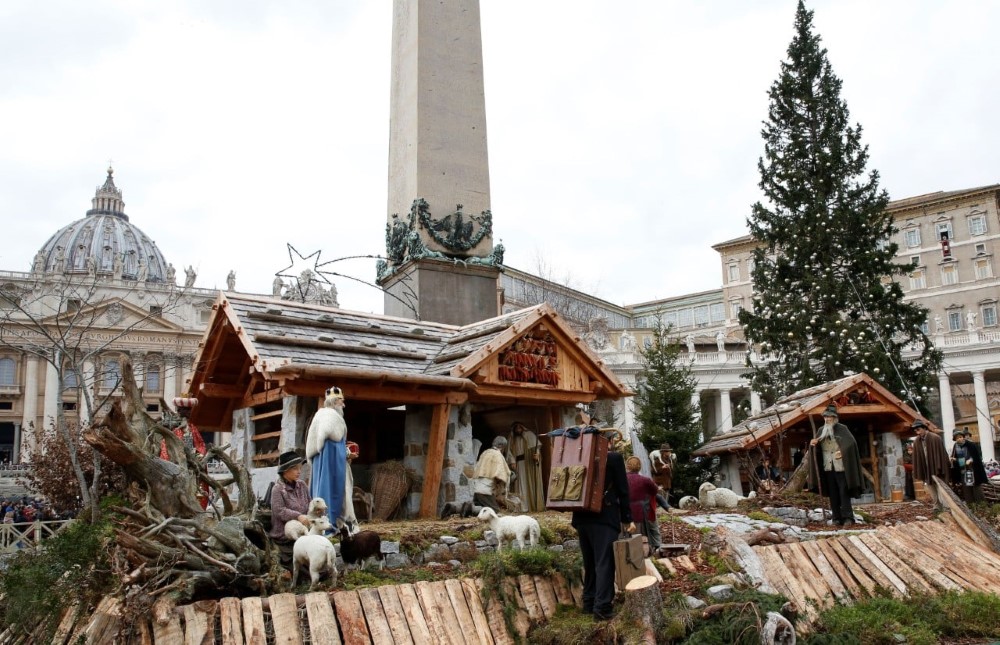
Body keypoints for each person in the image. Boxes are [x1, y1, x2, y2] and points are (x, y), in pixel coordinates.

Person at [571, 409, 633, 622]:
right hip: (604, 518)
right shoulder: (614, 458)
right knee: (604, 563)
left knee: (590, 563)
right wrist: (627, 518)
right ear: (606, 439)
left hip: (581, 518)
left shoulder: (576, 454)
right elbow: (624, 492)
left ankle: (589, 604)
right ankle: (603, 609)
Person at [306, 386, 357, 529]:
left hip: (321, 462)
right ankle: (330, 523)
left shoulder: (320, 415)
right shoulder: (332, 418)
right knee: (331, 491)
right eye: (342, 401)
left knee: (320, 487)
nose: (344, 404)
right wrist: (347, 454)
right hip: (331, 464)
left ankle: (321, 523)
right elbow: (332, 447)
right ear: (335, 402)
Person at [808, 405, 863, 527]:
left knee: (844, 492)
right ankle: (836, 518)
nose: (827, 419)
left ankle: (848, 517)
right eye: (826, 416)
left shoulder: (843, 429)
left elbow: (851, 444)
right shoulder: (821, 430)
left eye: (830, 416)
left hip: (841, 467)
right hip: (828, 466)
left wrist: (842, 452)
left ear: (835, 417)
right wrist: (813, 445)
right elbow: (816, 448)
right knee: (833, 493)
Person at [159, 397, 209, 509]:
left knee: (197, 487)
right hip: (177, 463)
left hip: (193, 464)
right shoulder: (172, 427)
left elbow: (200, 444)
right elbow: (165, 445)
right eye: (184, 409)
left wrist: (199, 455)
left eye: (189, 410)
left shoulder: (192, 428)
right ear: (178, 410)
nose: (187, 412)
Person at [269, 451, 312, 560]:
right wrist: (298, 516)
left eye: (300, 468)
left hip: (304, 533)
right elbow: (280, 511)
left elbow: (309, 502)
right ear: (285, 471)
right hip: (285, 537)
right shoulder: (277, 489)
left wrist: (314, 510)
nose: (299, 471)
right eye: (295, 468)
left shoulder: (302, 485)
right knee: (299, 564)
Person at [626, 456, 661, 556]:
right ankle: (642, 558)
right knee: (641, 537)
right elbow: (654, 491)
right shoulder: (645, 480)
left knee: (624, 537)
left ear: (627, 466)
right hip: (640, 512)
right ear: (639, 467)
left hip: (623, 512)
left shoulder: (621, 479)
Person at [505, 422, 544, 512]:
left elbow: (536, 447)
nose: (518, 429)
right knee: (519, 484)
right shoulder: (511, 438)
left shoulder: (530, 435)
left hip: (528, 465)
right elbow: (509, 452)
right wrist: (512, 461)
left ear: (523, 428)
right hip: (518, 464)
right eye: (516, 428)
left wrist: (537, 455)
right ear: (514, 430)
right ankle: (520, 507)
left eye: (520, 427)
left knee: (528, 484)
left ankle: (530, 506)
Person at [472, 436, 512, 512]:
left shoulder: (485, 452)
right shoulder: (497, 455)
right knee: (495, 511)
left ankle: (472, 508)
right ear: (502, 446)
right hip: (485, 492)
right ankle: (470, 509)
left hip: (476, 489)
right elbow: (500, 475)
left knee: (483, 507)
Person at [911, 419, 950, 490]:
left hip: (937, 469)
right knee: (932, 492)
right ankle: (935, 501)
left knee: (942, 490)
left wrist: (940, 467)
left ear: (924, 428)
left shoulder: (935, 438)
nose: (917, 432)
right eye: (916, 431)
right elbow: (917, 458)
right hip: (926, 469)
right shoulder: (917, 441)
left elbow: (942, 455)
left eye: (918, 429)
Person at [950, 428, 987, 502]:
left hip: (973, 470)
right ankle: (971, 505)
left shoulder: (971, 445)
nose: (959, 439)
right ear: (955, 439)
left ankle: (981, 505)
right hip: (963, 470)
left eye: (960, 437)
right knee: (966, 489)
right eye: (957, 438)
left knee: (976, 488)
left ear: (963, 437)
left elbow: (977, 457)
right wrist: (953, 459)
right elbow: (954, 457)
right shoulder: (955, 446)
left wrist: (970, 460)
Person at [650, 443, 674, 510]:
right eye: (668, 451)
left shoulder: (669, 460)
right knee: (660, 503)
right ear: (664, 452)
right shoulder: (657, 461)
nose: (669, 452)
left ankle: (666, 514)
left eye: (669, 451)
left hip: (667, 483)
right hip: (660, 484)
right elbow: (653, 471)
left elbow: (671, 471)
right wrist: (662, 468)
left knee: (666, 502)